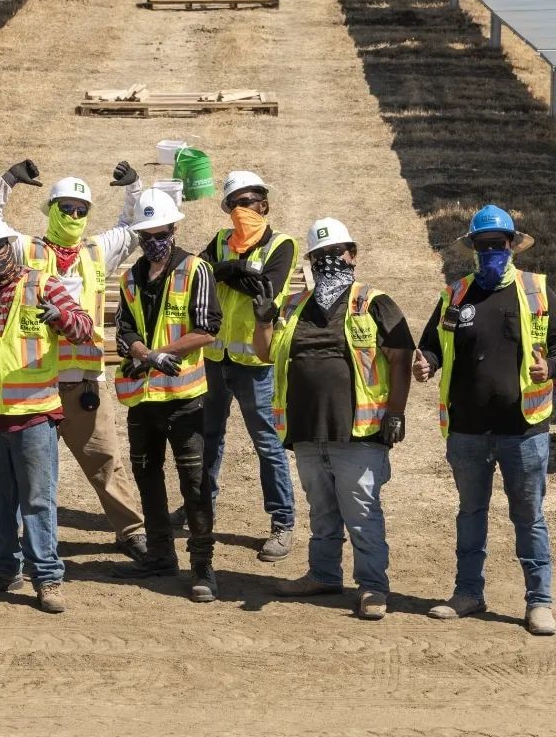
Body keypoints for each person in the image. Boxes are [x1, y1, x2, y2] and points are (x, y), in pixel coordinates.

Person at [0, 160, 146, 568]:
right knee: (19, 470)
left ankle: (131, 532)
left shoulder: (100, 250)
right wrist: (7, 180)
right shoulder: (24, 249)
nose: (73, 216)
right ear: (49, 209)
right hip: (35, 385)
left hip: (83, 384)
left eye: (81, 209)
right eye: (65, 208)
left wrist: (133, 187)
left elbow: (137, 226)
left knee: (105, 460)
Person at [253, 219, 413, 620]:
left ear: (353, 255)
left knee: (361, 512)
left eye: (336, 253)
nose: (329, 262)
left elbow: (400, 358)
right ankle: (323, 574)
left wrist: (396, 412)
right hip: (306, 429)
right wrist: (262, 319)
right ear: (309, 262)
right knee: (321, 510)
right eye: (320, 256)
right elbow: (263, 354)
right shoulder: (293, 306)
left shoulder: (374, 301)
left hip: (359, 433)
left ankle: (373, 586)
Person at [415, 204, 555, 636]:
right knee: (470, 512)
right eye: (483, 244)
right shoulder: (455, 295)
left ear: (513, 244)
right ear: (473, 248)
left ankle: (540, 602)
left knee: (528, 516)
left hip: (523, 430)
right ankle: (468, 593)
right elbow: (432, 346)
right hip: (468, 431)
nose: (492, 250)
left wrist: (550, 367)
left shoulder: (539, 291)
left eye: (498, 243)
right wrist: (427, 364)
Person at [0, 214, 93, 614]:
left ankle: (48, 579)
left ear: (10, 246)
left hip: (35, 414)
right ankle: (4, 570)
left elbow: (84, 328)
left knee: (38, 501)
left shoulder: (43, 285)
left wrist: (59, 317)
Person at [180, 170, 297, 562]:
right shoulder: (219, 240)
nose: (243, 210)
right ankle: (200, 509)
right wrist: (234, 271)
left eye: (249, 202)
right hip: (215, 356)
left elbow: (268, 288)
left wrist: (225, 273)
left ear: (264, 204)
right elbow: (199, 275)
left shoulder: (282, 244)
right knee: (208, 437)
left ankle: (282, 522)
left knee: (267, 443)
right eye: (235, 204)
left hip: (254, 361)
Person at [112, 189, 222, 603]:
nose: (154, 240)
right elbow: (124, 332)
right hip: (143, 398)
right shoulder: (130, 278)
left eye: (162, 233)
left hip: (184, 398)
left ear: (174, 230)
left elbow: (208, 327)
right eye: (147, 234)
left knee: (194, 484)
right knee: (147, 477)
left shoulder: (196, 270)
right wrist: (144, 354)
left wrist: (164, 354)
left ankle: (203, 565)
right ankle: (160, 554)